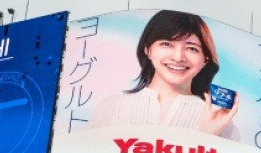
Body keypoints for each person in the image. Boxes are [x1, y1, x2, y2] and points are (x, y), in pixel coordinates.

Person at [89, 9, 240, 139]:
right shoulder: (111, 107)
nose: (178, 57)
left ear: (205, 59)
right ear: (148, 49)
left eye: (191, 48)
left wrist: (208, 135)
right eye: (167, 44)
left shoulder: (220, 122)